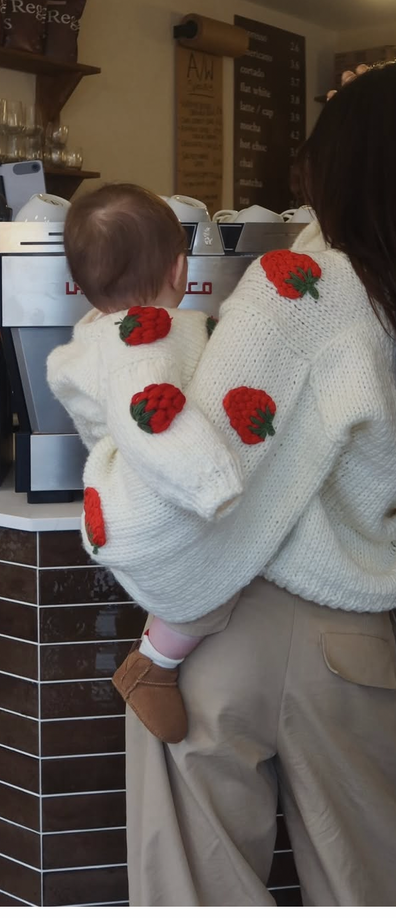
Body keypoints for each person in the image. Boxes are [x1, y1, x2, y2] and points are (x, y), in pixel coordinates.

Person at [80, 60, 396, 905]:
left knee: (197, 894)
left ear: (343, 166)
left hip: (231, 623)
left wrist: (110, 447)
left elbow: (196, 464)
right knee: (388, 890)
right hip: (354, 635)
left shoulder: (304, 288)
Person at [47, 183, 244, 744]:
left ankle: (158, 647)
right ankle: (152, 667)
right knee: (212, 589)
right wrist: (214, 482)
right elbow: (151, 417)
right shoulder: (143, 344)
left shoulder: (99, 334)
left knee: (197, 581)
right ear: (181, 270)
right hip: (154, 496)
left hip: (120, 495)